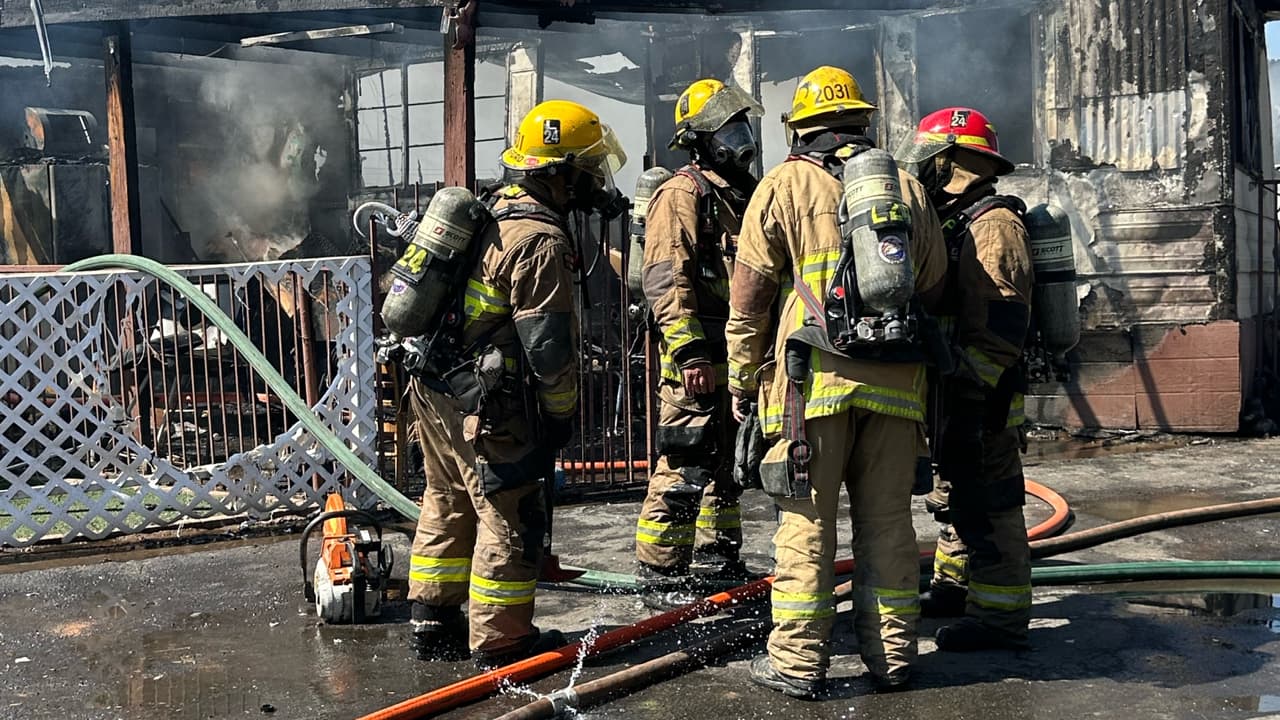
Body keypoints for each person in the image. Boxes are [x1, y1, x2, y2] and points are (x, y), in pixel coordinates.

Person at [725, 66, 947, 699]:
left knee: (806, 523)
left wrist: (743, 379)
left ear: (801, 127)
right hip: (899, 386)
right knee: (889, 524)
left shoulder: (783, 185)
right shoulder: (904, 185)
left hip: (810, 385)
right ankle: (896, 658)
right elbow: (930, 286)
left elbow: (750, 299)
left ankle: (797, 664)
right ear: (862, 121)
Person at [405, 99, 627, 668]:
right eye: (585, 167)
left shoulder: (492, 211)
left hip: (435, 384)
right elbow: (549, 354)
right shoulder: (541, 241)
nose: (593, 179)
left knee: (448, 497)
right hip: (490, 402)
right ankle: (502, 642)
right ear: (559, 172)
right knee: (510, 512)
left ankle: (432, 621)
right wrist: (561, 416)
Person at [898, 107, 1034, 652]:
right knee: (955, 494)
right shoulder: (957, 217)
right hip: (957, 392)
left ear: (952, 159)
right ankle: (954, 587)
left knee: (990, 500)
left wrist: (973, 402)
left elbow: (1000, 327)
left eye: (930, 159)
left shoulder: (994, 224)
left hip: (985, 395)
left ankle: (999, 618)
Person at [635, 79, 763, 599]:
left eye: (742, 125)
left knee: (729, 463)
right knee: (685, 461)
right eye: (728, 130)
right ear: (701, 140)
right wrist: (688, 350)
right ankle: (661, 570)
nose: (742, 138)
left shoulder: (745, 195)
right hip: (697, 355)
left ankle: (718, 553)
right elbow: (667, 277)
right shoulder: (683, 194)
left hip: (734, 354)